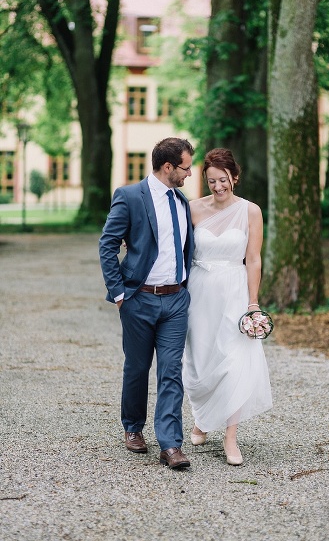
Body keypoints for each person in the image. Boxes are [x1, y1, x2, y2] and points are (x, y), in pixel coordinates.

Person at [99, 137, 195, 470]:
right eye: (186, 167)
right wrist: (120, 292)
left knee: (172, 371)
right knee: (138, 368)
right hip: (139, 299)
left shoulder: (181, 201)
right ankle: (133, 427)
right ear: (168, 167)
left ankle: (170, 445)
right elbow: (107, 245)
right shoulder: (130, 197)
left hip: (176, 300)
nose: (190, 173)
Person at [182, 148, 272, 466]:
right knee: (200, 362)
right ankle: (203, 419)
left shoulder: (251, 212)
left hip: (235, 291)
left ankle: (230, 436)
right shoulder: (191, 209)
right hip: (199, 292)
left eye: (223, 180)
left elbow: (254, 259)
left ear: (234, 176)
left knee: (235, 361)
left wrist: (253, 302)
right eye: (211, 181)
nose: (218, 187)